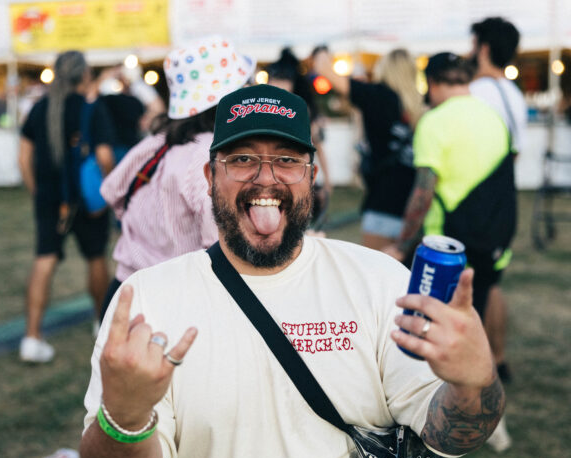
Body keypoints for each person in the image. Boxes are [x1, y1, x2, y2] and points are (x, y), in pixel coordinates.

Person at [80, 84, 505, 458]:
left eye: (287, 160)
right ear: (210, 178)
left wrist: (475, 382)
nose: (266, 177)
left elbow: (449, 435)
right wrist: (125, 420)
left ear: (311, 177)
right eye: (242, 159)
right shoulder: (149, 303)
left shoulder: (380, 283)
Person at [383, 53, 514, 453]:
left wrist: (400, 244)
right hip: (493, 238)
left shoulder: (435, 121)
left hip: (446, 244)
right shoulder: (493, 117)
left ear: (433, 83)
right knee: (474, 319)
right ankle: (494, 418)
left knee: (432, 334)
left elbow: (424, 189)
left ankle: (443, 417)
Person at [98, 36, 255, 335]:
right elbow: (221, 244)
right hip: (171, 305)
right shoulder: (212, 158)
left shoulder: (158, 142)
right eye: (245, 86)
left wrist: (152, 234)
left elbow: (112, 193)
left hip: (123, 292)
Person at [18, 50, 116, 363]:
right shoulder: (92, 109)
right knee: (95, 257)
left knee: (44, 259)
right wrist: (108, 190)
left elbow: (23, 158)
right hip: (87, 200)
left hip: (50, 198)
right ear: (84, 74)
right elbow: (103, 157)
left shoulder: (39, 108)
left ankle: (32, 338)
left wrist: (38, 193)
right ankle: (101, 324)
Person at [313, 48, 424, 252]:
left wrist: (322, 51)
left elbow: (324, 69)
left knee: (380, 275)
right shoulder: (423, 105)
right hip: (416, 207)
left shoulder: (376, 96)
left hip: (382, 201)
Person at [468, 17, 528, 384]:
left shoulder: (475, 93)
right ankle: (498, 359)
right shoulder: (514, 93)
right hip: (505, 202)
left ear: (483, 48)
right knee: (491, 283)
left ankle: (477, 365)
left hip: (476, 203)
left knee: (470, 288)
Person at [266, 47, 332, 231]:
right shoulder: (262, 110)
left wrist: (326, 181)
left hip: (294, 178)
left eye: (283, 81)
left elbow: (316, 145)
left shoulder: (301, 111)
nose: (279, 87)